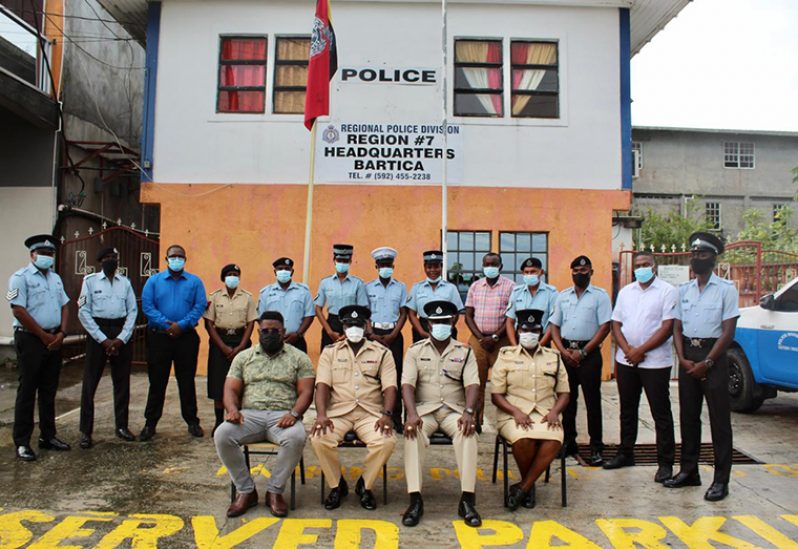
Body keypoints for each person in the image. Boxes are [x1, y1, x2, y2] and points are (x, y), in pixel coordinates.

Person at [215, 311, 315, 518]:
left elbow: (306, 391)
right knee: (222, 434)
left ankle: (274, 491)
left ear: (283, 332)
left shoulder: (299, 357)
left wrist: (295, 414)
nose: (270, 334)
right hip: (249, 416)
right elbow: (230, 389)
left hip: (283, 417)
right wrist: (232, 410)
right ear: (258, 332)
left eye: (275, 331)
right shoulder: (244, 357)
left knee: (296, 437)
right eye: (265, 331)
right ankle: (246, 491)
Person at [665, 232, 739, 502]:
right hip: (688, 355)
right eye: (694, 254)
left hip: (714, 357)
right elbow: (676, 326)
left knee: (719, 421)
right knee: (688, 416)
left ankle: (721, 480)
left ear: (713, 258)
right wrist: (682, 358)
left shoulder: (726, 290)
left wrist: (708, 362)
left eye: (702, 254)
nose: (696, 258)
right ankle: (689, 471)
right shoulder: (683, 290)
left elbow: (728, 332)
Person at [401, 300, 481, 528]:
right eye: (436, 322)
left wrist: (468, 412)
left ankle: (467, 500)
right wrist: (411, 413)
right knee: (411, 434)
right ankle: (415, 500)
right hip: (424, 411)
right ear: (428, 324)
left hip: (454, 411)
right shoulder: (415, 351)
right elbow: (407, 384)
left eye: (445, 321)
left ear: (453, 321)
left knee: (468, 435)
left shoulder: (465, 352)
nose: (440, 325)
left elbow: (473, 384)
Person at [311, 305, 398, 511]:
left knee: (386, 441)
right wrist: (321, 415)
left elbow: (390, 387)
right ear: (343, 326)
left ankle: (365, 485)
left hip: (370, 413)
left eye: (359, 324)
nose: (354, 328)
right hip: (338, 412)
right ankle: (336, 485)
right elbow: (322, 385)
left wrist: (387, 415)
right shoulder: (330, 352)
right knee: (319, 438)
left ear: (367, 325)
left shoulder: (382, 353)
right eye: (350, 324)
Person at [604, 251, 677, 482]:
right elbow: (616, 323)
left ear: (654, 266)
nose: (641, 268)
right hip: (626, 361)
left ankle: (665, 463)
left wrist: (640, 350)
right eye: (638, 265)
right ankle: (626, 453)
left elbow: (667, 327)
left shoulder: (667, 291)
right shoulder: (626, 292)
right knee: (627, 409)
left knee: (660, 413)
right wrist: (627, 350)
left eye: (646, 264)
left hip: (655, 362)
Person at [491, 309, 569, 510]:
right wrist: (516, 412)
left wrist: (554, 412)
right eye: (525, 329)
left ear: (541, 331)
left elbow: (564, 393)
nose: (529, 333)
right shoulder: (506, 356)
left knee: (554, 439)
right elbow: (496, 395)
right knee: (522, 439)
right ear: (517, 330)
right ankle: (528, 486)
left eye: (534, 330)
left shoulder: (553, 356)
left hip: (545, 414)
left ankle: (523, 487)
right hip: (513, 413)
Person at [7, 235, 71, 461]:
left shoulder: (55, 279)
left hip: (54, 338)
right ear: (32, 255)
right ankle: (22, 442)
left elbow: (65, 305)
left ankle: (48, 436)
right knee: (27, 391)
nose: (46, 257)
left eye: (50, 254)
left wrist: (61, 333)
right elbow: (18, 310)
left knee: (48, 390)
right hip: (31, 339)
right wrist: (43, 336)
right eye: (42, 253)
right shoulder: (19, 278)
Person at [140, 244, 207, 441]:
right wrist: (165, 324)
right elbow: (147, 306)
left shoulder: (195, 282)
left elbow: (200, 305)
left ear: (185, 259)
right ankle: (150, 423)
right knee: (157, 381)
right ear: (166, 259)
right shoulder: (154, 281)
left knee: (186, 381)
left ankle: (192, 421)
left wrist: (182, 325)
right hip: (159, 336)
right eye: (173, 256)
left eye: (180, 256)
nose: (176, 259)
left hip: (185, 337)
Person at [549, 255, 611, 466]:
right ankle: (568, 443)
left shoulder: (600, 296)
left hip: (589, 355)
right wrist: (562, 350)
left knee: (592, 401)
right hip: (567, 352)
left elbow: (605, 327)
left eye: (584, 270)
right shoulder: (562, 296)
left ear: (591, 272)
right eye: (576, 270)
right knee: (567, 400)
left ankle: (596, 447)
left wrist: (583, 352)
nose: (579, 273)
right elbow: (554, 326)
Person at [77, 247, 138, 449]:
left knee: (122, 384)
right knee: (89, 384)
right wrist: (102, 339)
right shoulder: (89, 281)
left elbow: (133, 311)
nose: (111, 260)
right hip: (98, 333)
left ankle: (122, 426)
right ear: (100, 261)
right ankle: (86, 432)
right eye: (107, 258)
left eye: (114, 257)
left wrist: (121, 338)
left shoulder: (125, 283)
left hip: (120, 332)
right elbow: (83, 312)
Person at [203, 264, 258, 434]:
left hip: (240, 341)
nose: (232, 277)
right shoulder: (215, 297)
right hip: (220, 341)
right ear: (223, 278)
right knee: (218, 383)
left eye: (235, 274)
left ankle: (236, 418)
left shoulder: (247, 298)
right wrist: (223, 347)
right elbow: (209, 324)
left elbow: (251, 323)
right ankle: (219, 422)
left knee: (241, 382)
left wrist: (242, 345)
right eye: (229, 274)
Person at [464, 252, 515, 428]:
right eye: (487, 264)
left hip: (501, 341)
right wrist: (480, 337)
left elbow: (511, 317)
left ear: (500, 266)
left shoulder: (511, 287)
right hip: (478, 341)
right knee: (476, 384)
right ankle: (476, 423)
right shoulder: (475, 286)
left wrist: (494, 337)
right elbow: (468, 315)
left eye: (494, 264)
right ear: (483, 266)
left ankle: (506, 425)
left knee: (504, 385)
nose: (490, 267)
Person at [366, 246, 408, 431]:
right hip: (373, 333)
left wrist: (393, 334)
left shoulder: (400, 287)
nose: (385, 267)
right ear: (376, 266)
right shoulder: (368, 287)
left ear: (393, 266)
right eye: (382, 264)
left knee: (396, 375)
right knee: (373, 375)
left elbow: (403, 313)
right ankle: (374, 415)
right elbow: (365, 315)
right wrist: (371, 334)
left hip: (393, 335)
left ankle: (396, 417)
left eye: (388, 264)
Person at [314, 244, 369, 351]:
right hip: (331, 324)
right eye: (339, 260)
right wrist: (329, 331)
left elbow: (363, 310)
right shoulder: (325, 282)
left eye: (345, 261)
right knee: (328, 360)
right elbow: (317, 308)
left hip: (352, 324)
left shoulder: (358, 283)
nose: (342, 263)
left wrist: (349, 332)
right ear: (334, 260)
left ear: (350, 261)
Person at [258, 257, 315, 352]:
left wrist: (298, 334)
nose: (283, 271)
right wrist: (271, 334)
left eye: (287, 268)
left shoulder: (303, 291)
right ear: (275, 271)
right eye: (280, 269)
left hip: (297, 340)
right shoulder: (266, 292)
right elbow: (261, 317)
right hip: (272, 341)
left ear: (292, 271)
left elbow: (309, 315)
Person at [406, 250, 464, 342]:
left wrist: (448, 329)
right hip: (423, 328)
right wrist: (421, 332)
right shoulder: (416, 288)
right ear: (424, 268)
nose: (433, 270)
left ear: (441, 267)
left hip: (445, 327)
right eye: (429, 267)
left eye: (436, 266)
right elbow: (411, 314)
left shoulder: (451, 288)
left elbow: (456, 313)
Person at [505, 258, 557, 347]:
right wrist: (515, 346)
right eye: (526, 272)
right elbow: (510, 321)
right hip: (520, 340)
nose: (529, 275)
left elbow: (553, 324)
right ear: (523, 273)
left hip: (542, 341)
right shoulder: (516, 292)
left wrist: (539, 346)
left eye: (533, 272)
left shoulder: (551, 293)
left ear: (541, 272)